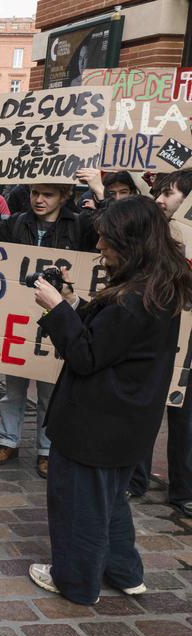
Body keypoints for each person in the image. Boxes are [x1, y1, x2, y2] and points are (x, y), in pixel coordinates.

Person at [29, 195, 192, 604]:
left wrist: (55, 310)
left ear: (132, 243)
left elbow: (86, 355)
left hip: (95, 424)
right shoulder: (157, 286)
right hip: (125, 425)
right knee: (109, 502)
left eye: (107, 240)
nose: (100, 248)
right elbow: (111, 338)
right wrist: (71, 302)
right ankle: (124, 572)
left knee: (79, 507)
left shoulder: (135, 298)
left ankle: (76, 582)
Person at [0, 178, 98, 477]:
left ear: (64, 196)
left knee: (49, 390)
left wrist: (100, 190)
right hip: (17, 318)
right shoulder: (16, 222)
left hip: (58, 316)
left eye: (48, 194)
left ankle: (46, 450)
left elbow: (109, 232)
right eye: (35, 193)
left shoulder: (79, 226)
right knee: (14, 389)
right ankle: (8, 440)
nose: (39, 199)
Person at [130, 168, 192, 516]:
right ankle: (134, 479)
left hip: (187, 345)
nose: (159, 199)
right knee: (144, 409)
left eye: (168, 193)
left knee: (185, 419)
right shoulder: (153, 235)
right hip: (154, 337)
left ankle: (183, 491)